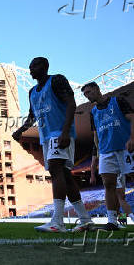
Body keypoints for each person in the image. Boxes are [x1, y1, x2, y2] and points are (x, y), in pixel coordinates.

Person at [13, 57, 92, 233]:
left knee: (56, 170)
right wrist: (20, 131)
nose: (31, 69)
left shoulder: (57, 80)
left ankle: (58, 221)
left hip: (60, 133)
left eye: (35, 65)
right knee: (65, 175)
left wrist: (65, 132)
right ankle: (86, 219)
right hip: (46, 137)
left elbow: (71, 104)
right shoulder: (32, 91)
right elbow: (32, 116)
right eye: (30, 66)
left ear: (45, 66)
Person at [82, 81, 134, 230]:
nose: (87, 96)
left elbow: (132, 118)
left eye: (89, 92)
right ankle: (112, 221)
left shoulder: (118, 101)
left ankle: (125, 219)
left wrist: (132, 138)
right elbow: (95, 135)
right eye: (84, 94)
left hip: (124, 148)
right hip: (106, 152)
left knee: (125, 190)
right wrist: (98, 153)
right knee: (108, 185)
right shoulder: (93, 112)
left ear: (97, 89)